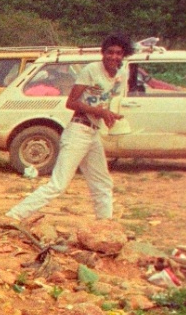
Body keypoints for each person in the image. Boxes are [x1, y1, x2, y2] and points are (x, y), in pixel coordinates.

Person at [7, 34, 130, 222]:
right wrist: (99, 111)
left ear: (123, 55)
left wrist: (109, 115)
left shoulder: (120, 75)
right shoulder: (91, 70)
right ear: (103, 53)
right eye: (110, 52)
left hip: (93, 132)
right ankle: (14, 215)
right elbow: (71, 102)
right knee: (58, 185)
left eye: (118, 53)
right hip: (78, 131)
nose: (114, 57)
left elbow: (104, 102)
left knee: (102, 183)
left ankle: (105, 224)